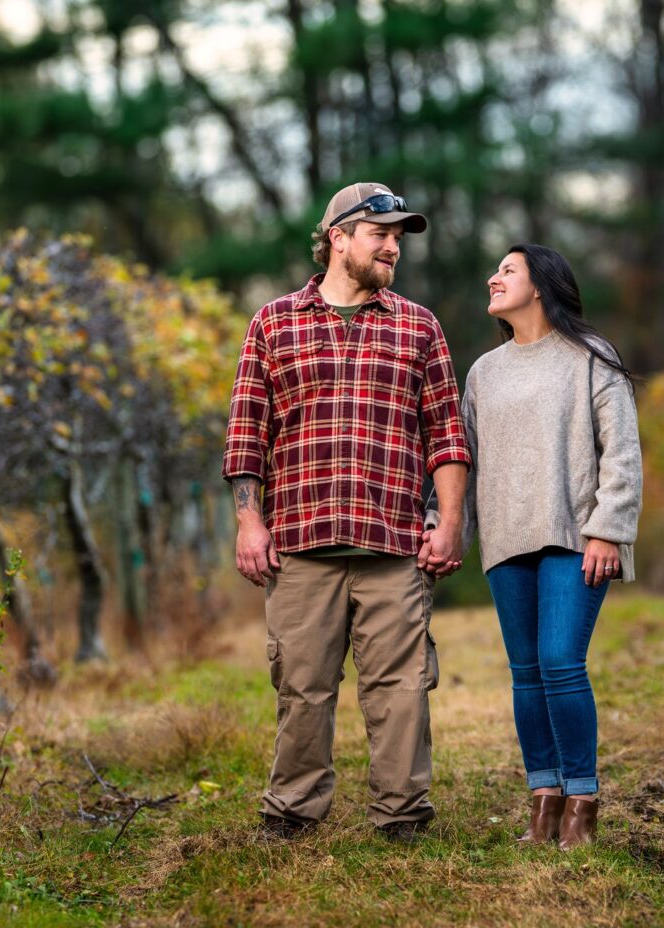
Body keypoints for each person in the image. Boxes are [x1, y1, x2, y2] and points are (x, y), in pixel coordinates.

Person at [222, 182, 470, 843]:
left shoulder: (419, 326)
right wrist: (250, 521)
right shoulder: (273, 322)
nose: (394, 247)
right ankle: (292, 813)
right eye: (380, 234)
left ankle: (402, 818)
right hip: (301, 543)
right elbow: (247, 431)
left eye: (399, 238)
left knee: (401, 689)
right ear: (338, 238)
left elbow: (446, 434)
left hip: (393, 543)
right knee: (302, 687)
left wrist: (449, 523)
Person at [461, 244, 642, 850]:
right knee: (526, 673)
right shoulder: (484, 372)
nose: (494, 277)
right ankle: (544, 799)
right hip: (507, 541)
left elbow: (621, 451)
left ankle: (582, 803)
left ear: (540, 285)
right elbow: (466, 462)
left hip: (576, 537)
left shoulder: (591, 358)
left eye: (507, 270)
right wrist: (446, 531)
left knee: (561, 662)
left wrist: (608, 528)